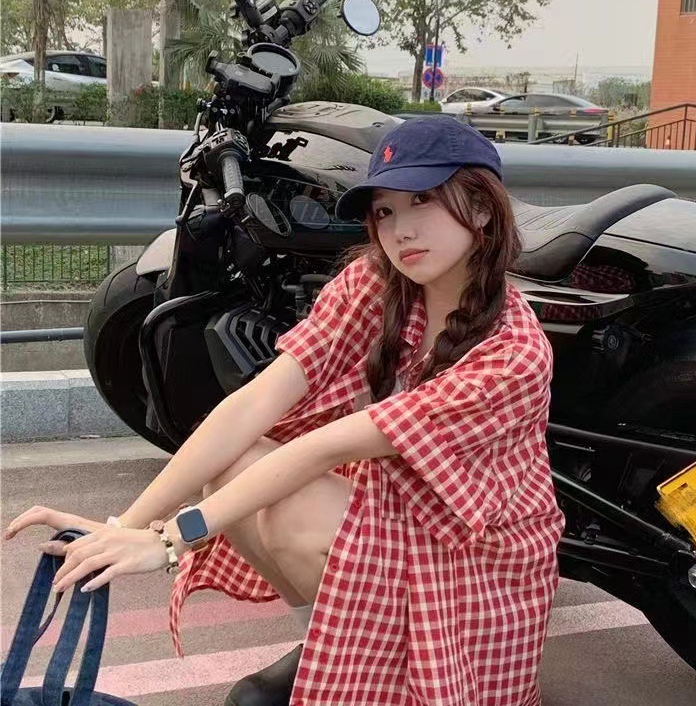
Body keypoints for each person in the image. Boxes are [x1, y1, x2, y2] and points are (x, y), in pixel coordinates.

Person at [4, 116, 565, 706]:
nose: (401, 231)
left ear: (481, 208)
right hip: (402, 515)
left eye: (422, 200)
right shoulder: (378, 285)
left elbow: (322, 449)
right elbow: (255, 401)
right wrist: (127, 525)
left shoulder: (514, 355)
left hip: (475, 565)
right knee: (236, 465)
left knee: (292, 504)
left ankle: (375, 668)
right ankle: (331, 643)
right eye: (385, 211)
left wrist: (170, 541)